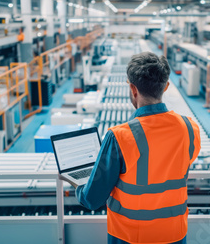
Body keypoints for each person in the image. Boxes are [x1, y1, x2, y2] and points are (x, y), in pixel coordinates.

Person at [66, 51, 201, 244]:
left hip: (130, 237)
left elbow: (92, 199)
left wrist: (78, 184)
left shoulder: (119, 136)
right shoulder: (190, 129)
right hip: (175, 234)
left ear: (133, 89)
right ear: (166, 87)